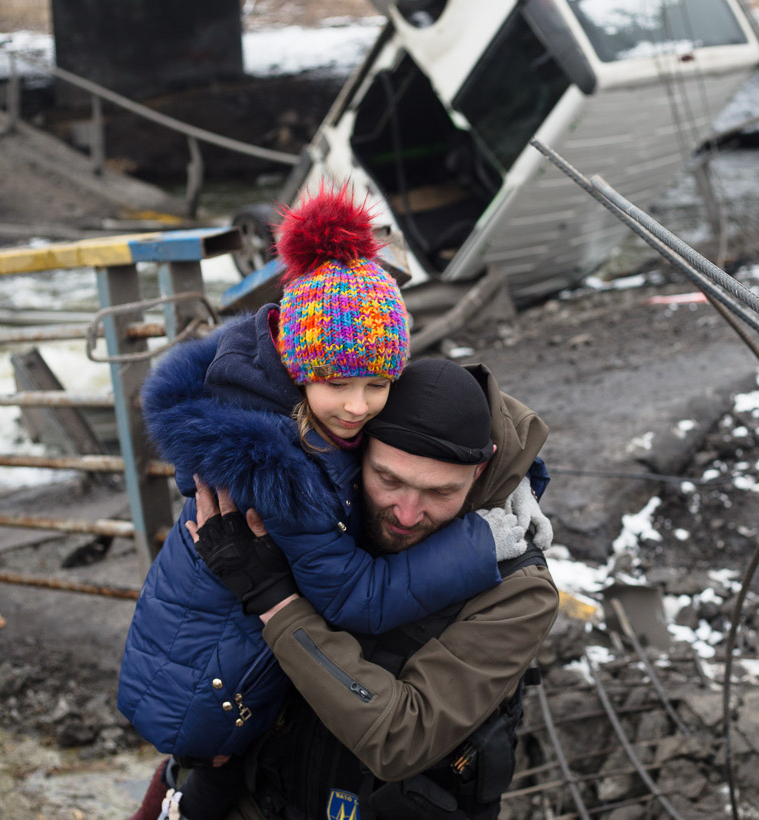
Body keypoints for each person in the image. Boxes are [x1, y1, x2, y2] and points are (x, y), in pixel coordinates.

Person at [118, 188, 532, 820]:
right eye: (337, 383)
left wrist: (520, 477)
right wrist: (483, 539)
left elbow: (449, 433)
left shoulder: (315, 419)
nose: (357, 406)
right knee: (208, 778)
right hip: (205, 686)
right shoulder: (281, 468)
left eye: (377, 384)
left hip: (224, 675)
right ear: (297, 366)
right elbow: (354, 597)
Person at [187, 358, 561, 820]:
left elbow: (400, 739)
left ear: (480, 471)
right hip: (260, 795)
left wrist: (275, 602)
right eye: (388, 479)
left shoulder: (520, 592)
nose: (406, 513)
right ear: (356, 448)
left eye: (440, 492)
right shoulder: (325, 502)